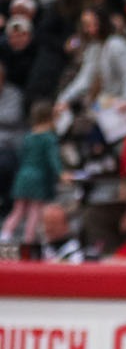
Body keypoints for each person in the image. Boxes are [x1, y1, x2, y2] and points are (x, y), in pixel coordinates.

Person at [2, 102, 60, 245]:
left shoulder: (28, 136)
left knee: (18, 210)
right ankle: (28, 242)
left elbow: (21, 156)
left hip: (23, 176)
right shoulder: (49, 138)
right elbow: (53, 160)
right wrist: (62, 174)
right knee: (35, 211)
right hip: (38, 178)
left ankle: (4, 236)